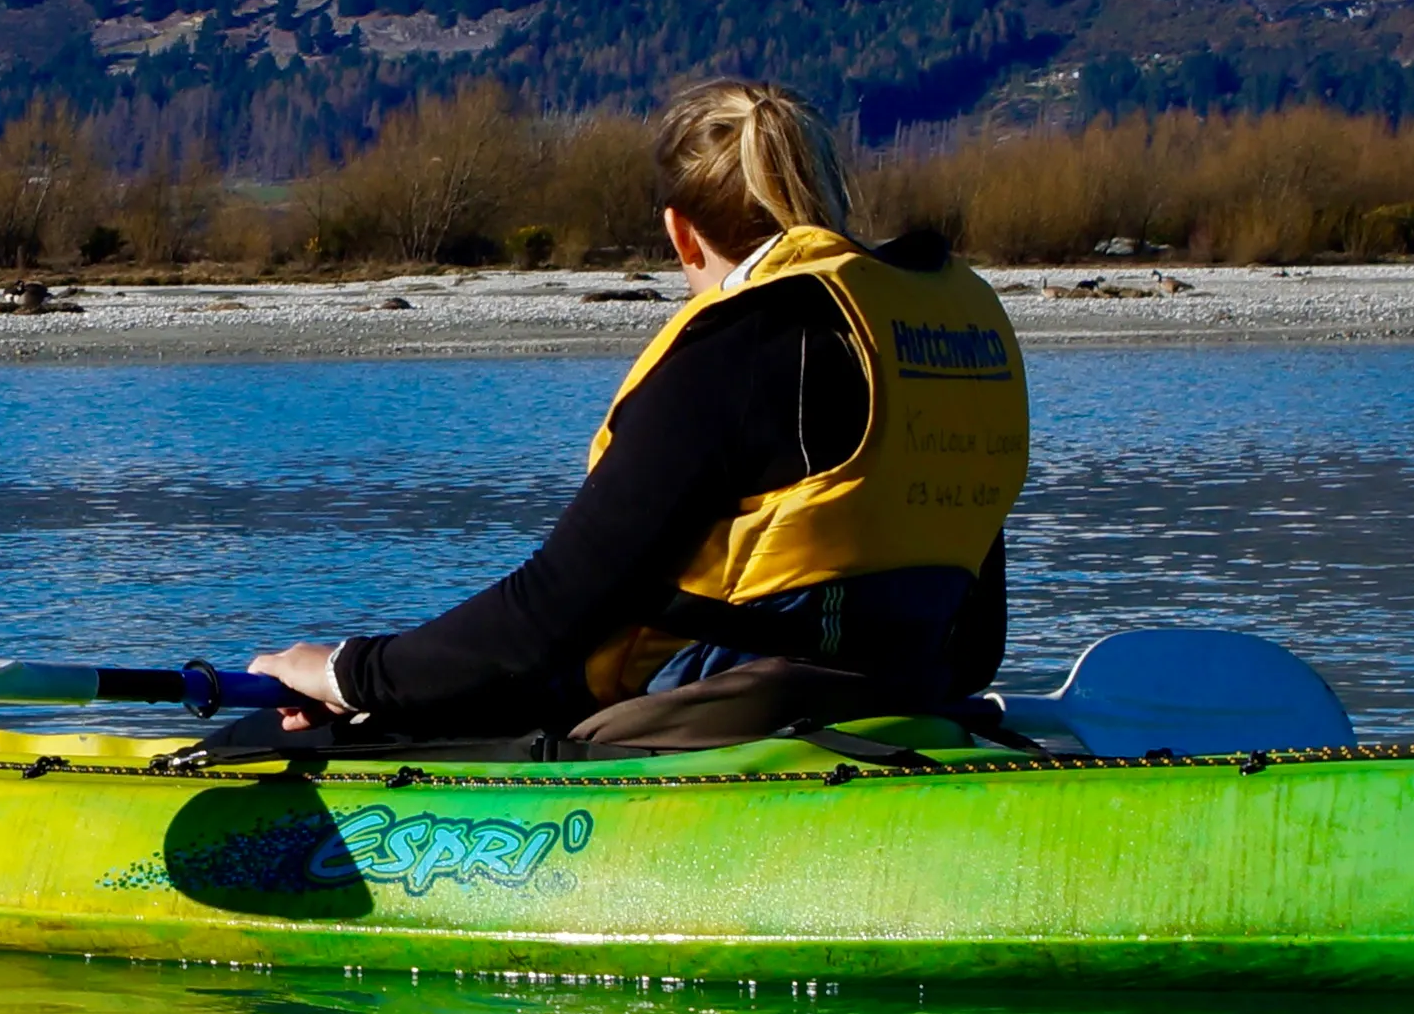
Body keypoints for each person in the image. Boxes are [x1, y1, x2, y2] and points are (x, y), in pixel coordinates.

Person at [247, 78, 1031, 751]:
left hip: (731, 715)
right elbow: (980, 636)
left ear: (681, 234)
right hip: (913, 689)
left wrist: (348, 673)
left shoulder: (743, 348)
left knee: (379, 715)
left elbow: (545, 619)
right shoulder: (921, 333)